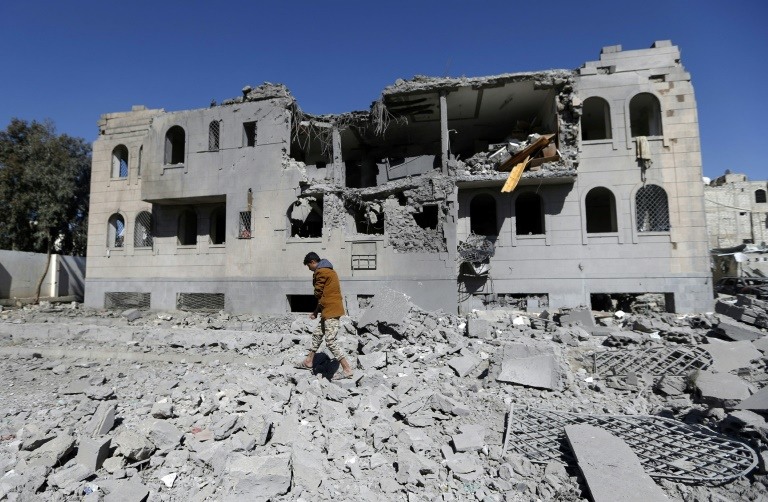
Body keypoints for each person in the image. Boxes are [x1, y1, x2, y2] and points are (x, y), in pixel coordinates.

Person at [297, 252, 354, 379]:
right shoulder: (329, 270)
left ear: (313, 262)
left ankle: (347, 369)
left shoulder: (321, 271)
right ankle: (309, 361)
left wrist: (315, 289)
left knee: (330, 341)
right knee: (317, 334)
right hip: (328, 310)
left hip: (331, 312)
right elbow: (325, 296)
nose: (309, 269)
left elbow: (318, 292)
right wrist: (316, 311)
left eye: (309, 266)